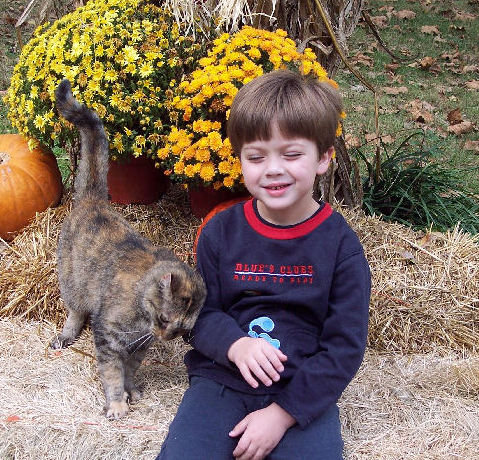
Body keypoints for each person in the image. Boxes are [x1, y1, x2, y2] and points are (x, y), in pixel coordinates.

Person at [157, 69, 372, 460]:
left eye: (291, 154)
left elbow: (343, 348)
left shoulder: (341, 247)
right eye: (256, 157)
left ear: (324, 158)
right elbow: (200, 314)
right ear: (240, 159)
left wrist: (282, 414)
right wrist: (236, 345)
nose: (273, 168)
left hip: (300, 391)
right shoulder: (220, 233)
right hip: (222, 381)